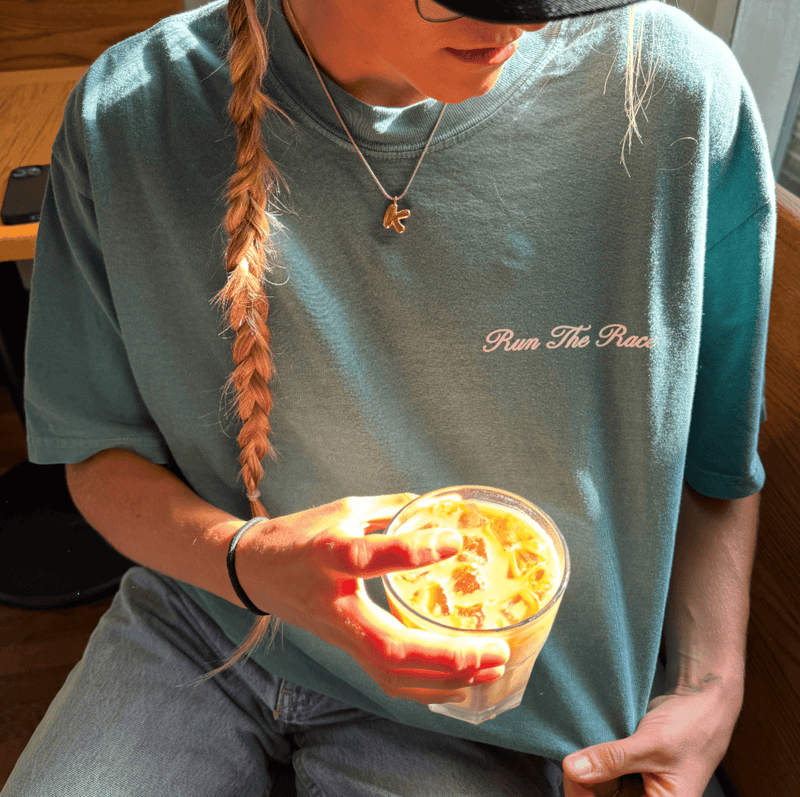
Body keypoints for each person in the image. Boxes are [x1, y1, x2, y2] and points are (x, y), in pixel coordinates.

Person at [5, 0, 773, 795]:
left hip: (490, 700)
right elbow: (96, 451)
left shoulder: (675, 94)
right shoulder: (127, 116)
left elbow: (718, 454)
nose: (525, 22)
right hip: (207, 615)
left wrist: (712, 688)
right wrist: (249, 563)